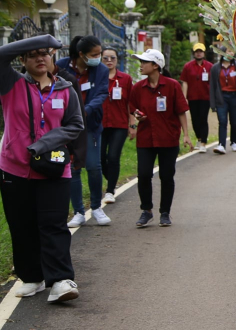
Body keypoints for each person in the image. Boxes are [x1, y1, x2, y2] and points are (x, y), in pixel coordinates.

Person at [0, 35, 84, 303]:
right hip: (15, 168)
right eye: (32, 54)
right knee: (22, 225)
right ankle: (32, 277)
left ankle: (60, 279)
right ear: (22, 59)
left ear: (52, 58)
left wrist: (42, 144)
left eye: (45, 53)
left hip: (54, 168)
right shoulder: (11, 83)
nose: (40, 58)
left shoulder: (65, 89)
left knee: (53, 224)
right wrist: (42, 40)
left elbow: (75, 125)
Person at [128, 49, 191, 227]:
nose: (141, 65)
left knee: (167, 176)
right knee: (144, 174)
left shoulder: (172, 85)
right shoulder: (137, 88)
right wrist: (136, 117)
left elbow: (181, 111)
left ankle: (165, 212)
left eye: (144, 62)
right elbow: (133, 109)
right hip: (145, 138)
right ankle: (146, 210)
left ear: (155, 65)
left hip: (168, 138)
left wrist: (186, 135)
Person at [57, 36, 110, 228]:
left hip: (90, 125)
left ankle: (96, 207)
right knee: (73, 168)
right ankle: (79, 212)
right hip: (67, 126)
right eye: (94, 54)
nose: (98, 57)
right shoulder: (61, 66)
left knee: (94, 166)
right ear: (81, 54)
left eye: (99, 54)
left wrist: (84, 111)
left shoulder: (101, 70)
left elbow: (102, 93)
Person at [100, 47, 132, 206]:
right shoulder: (96, 77)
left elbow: (130, 103)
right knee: (99, 158)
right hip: (99, 124)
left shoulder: (125, 79)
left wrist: (132, 124)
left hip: (119, 124)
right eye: (105, 58)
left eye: (112, 58)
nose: (109, 61)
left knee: (113, 156)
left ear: (117, 60)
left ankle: (110, 190)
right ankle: (112, 177)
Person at [210, 52, 236, 154]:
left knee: (234, 120)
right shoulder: (215, 68)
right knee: (222, 121)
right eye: (228, 51)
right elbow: (212, 85)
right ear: (222, 52)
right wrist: (212, 103)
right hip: (221, 97)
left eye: (231, 51)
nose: (230, 53)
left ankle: (234, 142)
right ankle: (221, 144)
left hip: (234, 96)